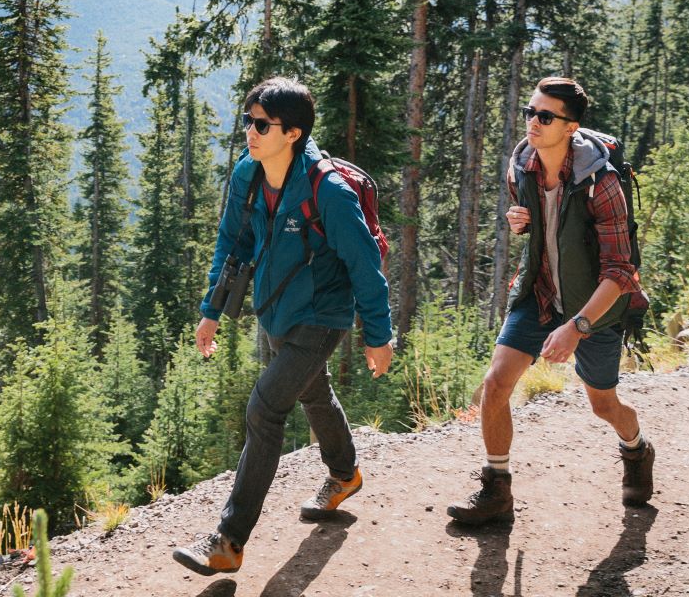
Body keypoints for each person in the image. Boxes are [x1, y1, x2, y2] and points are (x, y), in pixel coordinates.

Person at [173, 77, 394, 576]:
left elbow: (364, 266)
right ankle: (344, 475)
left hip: (323, 316)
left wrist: (378, 336)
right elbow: (233, 243)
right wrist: (211, 309)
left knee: (265, 408)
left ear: (292, 133)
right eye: (248, 121)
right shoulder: (248, 175)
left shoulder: (329, 192)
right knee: (314, 394)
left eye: (261, 124)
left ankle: (228, 542)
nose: (250, 131)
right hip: (275, 310)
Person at [447, 76, 654, 525]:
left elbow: (621, 271)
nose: (532, 123)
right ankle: (497, 490)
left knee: (603, 405)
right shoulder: (521, 164)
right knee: (496, 383)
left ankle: (636, 449)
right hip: (538, 293)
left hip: (596, 307)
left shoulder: (602, 184)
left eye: (545, 116)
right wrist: (519, 220)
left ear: (571, 127)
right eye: (529, 113)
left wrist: (577, 326)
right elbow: (532, 224)